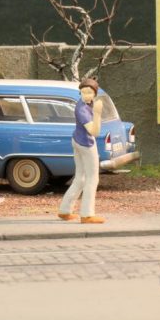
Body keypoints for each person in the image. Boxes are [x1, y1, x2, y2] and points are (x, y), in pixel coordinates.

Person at [57, 78, 105, 224]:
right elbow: (94, 132)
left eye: (89, 92)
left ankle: (65, 210)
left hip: (77, 140)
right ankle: (87, 214)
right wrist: (97, 113)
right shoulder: (82, 109)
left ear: (95, 93)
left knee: (81, 177)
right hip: (86, 144)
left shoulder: (84, 104)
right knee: (92, 178)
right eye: (83, 92)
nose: (86, 95)